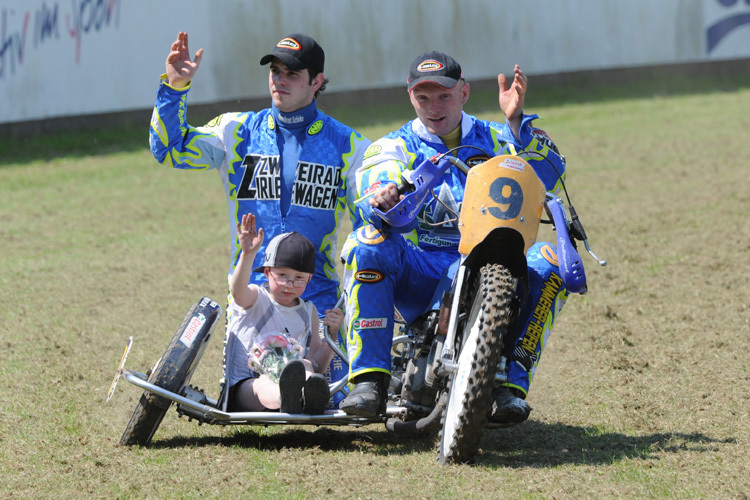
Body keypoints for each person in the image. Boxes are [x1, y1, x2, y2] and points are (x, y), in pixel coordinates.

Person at [338, 51, 569, 425]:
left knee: (549, 259)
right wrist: (384, 193)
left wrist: (517, 125)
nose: (433, 107)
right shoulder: (393, 145)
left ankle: (508, 386)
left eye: (444, 95)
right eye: (423, 97)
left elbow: (550, 173)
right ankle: (369, 381)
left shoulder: (497, 136)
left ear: (464, 93)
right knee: (366, 241)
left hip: (493, 261)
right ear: (410, 96)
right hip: (424, 266)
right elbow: (373, 189)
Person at [149, 31, 371, 320]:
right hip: (249, 298)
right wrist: (175, 88)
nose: (280, 80)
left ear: (316, 81)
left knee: (314, 368)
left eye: (292, 73)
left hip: (318, 304)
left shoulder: (348, 146)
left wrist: (350, 306)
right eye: (275, 71)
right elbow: (168, 148)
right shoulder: (235, 132)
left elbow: (368, 230)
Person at [225, 212, 343, 414]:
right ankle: (288, 397)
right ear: (266, 272)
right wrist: (247, 254)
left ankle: (304, 397)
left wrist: (331, 337)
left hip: (290, 385)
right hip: (247, 389)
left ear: (309, 278)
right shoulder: (256, 298)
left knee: (305, 363)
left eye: (299, 278)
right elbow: (237, 292)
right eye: (282, 275)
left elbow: (317, 366)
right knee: (263, 382)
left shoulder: (308, 311)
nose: (289, 284)